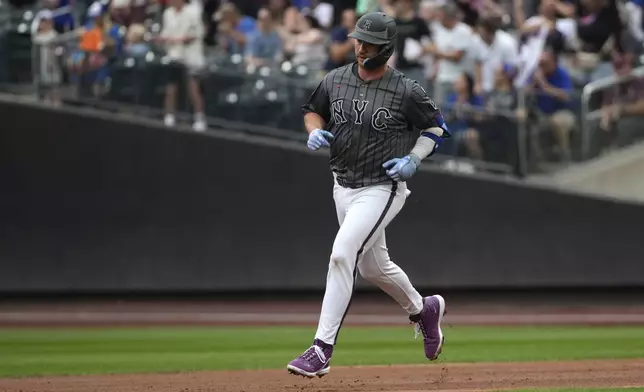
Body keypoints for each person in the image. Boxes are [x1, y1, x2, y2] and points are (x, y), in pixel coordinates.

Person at [286, 12, 449, 379]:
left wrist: (413, 158)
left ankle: (321, 349)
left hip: (382, 186)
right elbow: (313, 111)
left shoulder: (405, 88)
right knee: (373, 266)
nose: (361, 48)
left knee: (343, 254)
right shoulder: (336, 78)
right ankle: (423, 309)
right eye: (359, 40)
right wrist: (313, 131)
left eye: (369, 42)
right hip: (341, 183)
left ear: (386, 47)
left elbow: (436, 127)